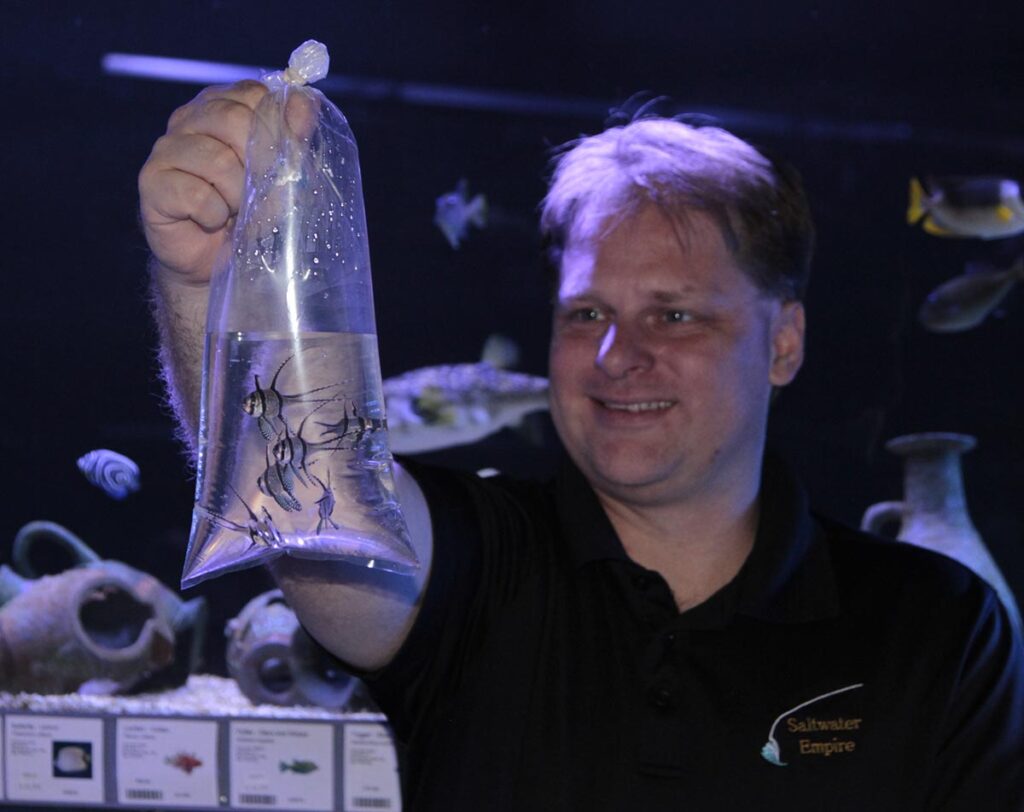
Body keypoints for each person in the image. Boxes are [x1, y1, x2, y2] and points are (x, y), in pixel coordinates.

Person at [140, 80, 1024, 810]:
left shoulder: (936, 626)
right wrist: (209, 281)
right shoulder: (480, 566)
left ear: (783, 342)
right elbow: (303, 502)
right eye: (587, 312)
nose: (616, 354)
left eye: (673, 313)